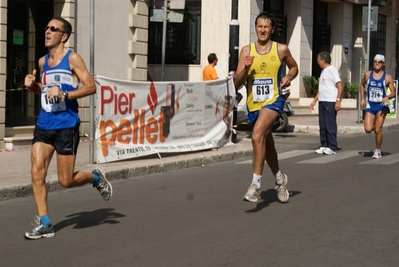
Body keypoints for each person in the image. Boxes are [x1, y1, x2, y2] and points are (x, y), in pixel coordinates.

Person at [23, 17, 112, 240]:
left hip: (66, 126)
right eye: (46, 27)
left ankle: (95, 178)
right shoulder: (42, 62)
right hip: (44, 124)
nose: (47, 31)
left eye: (53, 28)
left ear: (64, 36)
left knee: (65, 180)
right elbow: (45, 90)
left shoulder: (72, 58)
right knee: (36, 173)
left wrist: (65, 94)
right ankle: (45, 224)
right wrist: (32, 86)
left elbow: (91, 86)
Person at [234, 12, 298, 203]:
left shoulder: (281, 49)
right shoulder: (246, 51)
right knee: (266, 144)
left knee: (256, 135)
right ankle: (279, 178)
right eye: (259, 26)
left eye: (266, 27)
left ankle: (256, 185)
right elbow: (237, 83)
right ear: (255, 28)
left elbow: (293, 67)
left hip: (274, 100)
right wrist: (245, 68)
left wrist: (289, 77)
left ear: (272, 30)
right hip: (254, 104)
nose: (262, 30)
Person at [360, 54, 396, 159]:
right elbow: (362, 85)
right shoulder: (367, 75)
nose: (377, 63)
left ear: (383, 64)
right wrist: (362, 98)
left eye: (379, 62)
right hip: (370, 105)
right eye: (375, 61)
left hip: (381, 106)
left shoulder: (387, 77)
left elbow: (394, 92)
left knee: (378, 129)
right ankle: (375, 123)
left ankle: (377, 150)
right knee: (367, 129)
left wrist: (388, 97)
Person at [309, 51, 344, 155]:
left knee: (330, 124)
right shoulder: (323, 71)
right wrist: (314, 101)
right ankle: (324, 144)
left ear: (323, 61)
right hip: (322, 101)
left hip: (330, 101)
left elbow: (340, 85)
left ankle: (332, 146)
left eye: (318, 60)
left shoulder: (332, 70)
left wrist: (338, 101)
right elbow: (322, 88)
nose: (317, 62)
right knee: (322, 124)